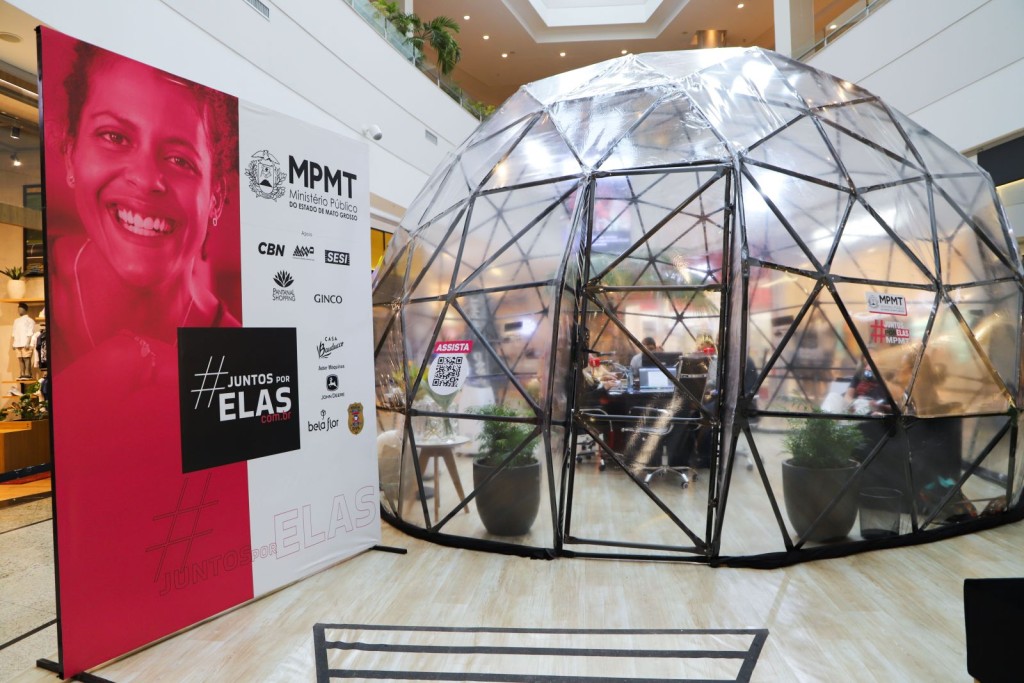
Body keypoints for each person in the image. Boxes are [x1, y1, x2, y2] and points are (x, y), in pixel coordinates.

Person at [50, 40, 240, 388]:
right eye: (115, 137)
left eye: (180, 160)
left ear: (215, 196)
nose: (147, 178)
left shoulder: (234, 349)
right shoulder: (43, 285)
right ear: (70, 152)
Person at [11, 303, 35, 380]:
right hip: (17, 343)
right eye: (18, 309)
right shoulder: (16, 321)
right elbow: (14, 333)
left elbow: (30, 332)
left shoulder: (30, 320)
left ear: (25, 310)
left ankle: (28, 373)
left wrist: (28, 342)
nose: (19, 311)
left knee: (26, 358)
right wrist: (14, 343)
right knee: (20, 358)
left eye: (21, 309)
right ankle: (22, 373)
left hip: (25, 343)